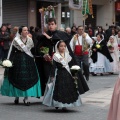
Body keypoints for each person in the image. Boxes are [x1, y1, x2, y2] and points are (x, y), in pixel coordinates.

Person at [37, 18, 89, 95]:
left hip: (60, 60)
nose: (50, 26)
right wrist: (44, 54)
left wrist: (51, 38)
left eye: (52, 24)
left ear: (56, 25)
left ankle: (62, 94)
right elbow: (39, 48)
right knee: (48, 77)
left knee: (61, 78)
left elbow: (64, 46)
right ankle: (49, 95)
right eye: (49, 24)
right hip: (48, 60)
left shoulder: (61, 34)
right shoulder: (44, 35)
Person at [0, 26, 42, 106]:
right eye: (24, 30)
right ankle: (17, 97)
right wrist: (9, 62)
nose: (26, 31)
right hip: (17, 61)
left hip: (28, 61)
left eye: (27, 30)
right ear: (20, 32)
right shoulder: (16, 40)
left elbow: (33, 51)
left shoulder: (30, 40)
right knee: (17, 79)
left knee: (27, 79)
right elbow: (12, 51)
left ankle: (26, 98)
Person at [43, 40, 82, 110]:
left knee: (67, 88)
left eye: (64, 46)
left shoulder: (68, 55)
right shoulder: (56, 55)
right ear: (57, 47)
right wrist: (52, 76)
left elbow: (70, 65)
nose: (63, 47)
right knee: (58, 89)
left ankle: (65, 105)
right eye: (61, 46)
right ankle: (57, 103)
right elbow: (54, 66)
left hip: (67, 74)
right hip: (59, 74)